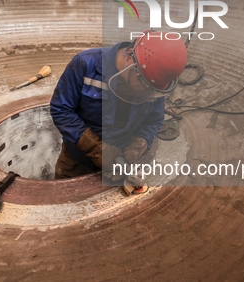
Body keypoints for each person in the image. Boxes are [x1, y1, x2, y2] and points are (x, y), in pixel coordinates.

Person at [50, 31, 187, 194]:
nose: (146, 93)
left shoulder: (151, 85)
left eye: (152, 90)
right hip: (77, 160)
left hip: (119, 163)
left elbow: (153, 121)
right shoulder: (85, 65)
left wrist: (136, 147)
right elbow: (61, 110)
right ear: (130, 57)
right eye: (143, 84)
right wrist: (97, 149)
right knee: (62, 200)